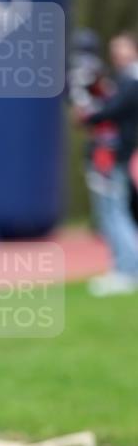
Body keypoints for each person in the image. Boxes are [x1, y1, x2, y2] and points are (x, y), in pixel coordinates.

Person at [76, 31, 138, 296]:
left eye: (122, 49)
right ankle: (122, 268)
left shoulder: (131, 80)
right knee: (112, 212)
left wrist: (88, 116)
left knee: (116, 212)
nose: (117, 55)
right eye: (114, 50)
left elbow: (114, 109)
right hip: (115, 153)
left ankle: (129, 270)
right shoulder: (121, 80)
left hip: (117, 154)